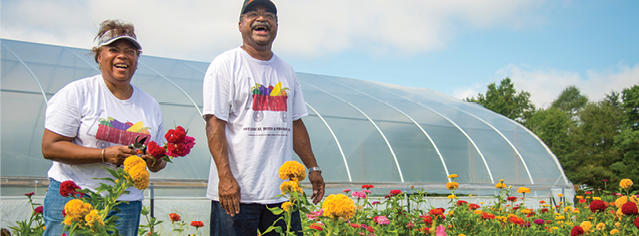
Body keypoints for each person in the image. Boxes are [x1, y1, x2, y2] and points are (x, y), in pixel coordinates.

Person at [203, 0, 325, 235]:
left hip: (281, 194)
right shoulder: (225, 65)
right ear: (240, 25)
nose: (261, 19)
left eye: (269, 15)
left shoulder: (286, 70)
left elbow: (295, 123)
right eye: (252, 14)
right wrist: (225, 178)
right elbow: (214, 124)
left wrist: (313, 167)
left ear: (276, 25)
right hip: (236, 193)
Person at [41, 19, 166, 236]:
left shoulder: (149, 105)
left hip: (125, 204)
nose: (123, 56)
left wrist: (154, 161)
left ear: (137, 60)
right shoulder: (78, 93)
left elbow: (160, 159)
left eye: (131, 51)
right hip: (76, 197)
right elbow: (50, 147)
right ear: (99, 57)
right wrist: (104, 154)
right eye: (114, 49)